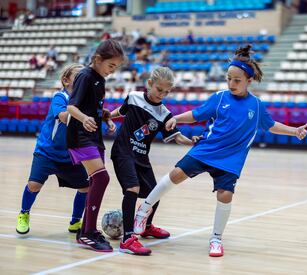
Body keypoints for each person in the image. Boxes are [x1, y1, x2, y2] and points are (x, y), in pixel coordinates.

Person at [133, 45, 307, 257]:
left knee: (225, 195)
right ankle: (144, 209)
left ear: (249, 81)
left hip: (231, 159)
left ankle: (216, 238)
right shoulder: (220, 98)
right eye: (229, 79)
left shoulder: (257, 105)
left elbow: (271, 125)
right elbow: (197, 114)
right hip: (206, 149)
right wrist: (175, 118)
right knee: (175, 175)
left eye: (237, 80)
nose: (231, 83)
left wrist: (294, 130)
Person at [108, 67, 198, 255]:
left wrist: (192, 142)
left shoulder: (164, 113)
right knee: (132, 189)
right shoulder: (133, 97)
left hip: (141, 157)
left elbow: (177, 136)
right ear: (149, 84)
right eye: (159, 90)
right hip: (123, 151)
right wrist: (108, 115)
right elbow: (122, 111)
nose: (163, 94)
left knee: (154, 193)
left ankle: (146, 226)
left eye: (167, 92)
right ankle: (128, 239)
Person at [16, 63, 89, 235]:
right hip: (47, 152)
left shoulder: (84, 101)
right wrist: (84, 116)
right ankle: (24, 213)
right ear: (66, 80)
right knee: (34, 185)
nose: (82, 80)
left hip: (70, 154)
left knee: (85, 187)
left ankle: (75, 222)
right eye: (78, 76)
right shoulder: (60, 97)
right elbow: (64, 117)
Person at [66, 39, 125, 252]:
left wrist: (107, 118)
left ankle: (87, 230)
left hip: (93, 135)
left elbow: (96, 108)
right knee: (101, 178)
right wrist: (84, 119)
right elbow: (72, 107)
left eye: (116, 67)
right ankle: (88, 232)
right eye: (111, 66)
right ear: (98, 59)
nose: (112, 71)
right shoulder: (85, 76)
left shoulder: (100, 78)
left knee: (96, 180)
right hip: (80, 135)